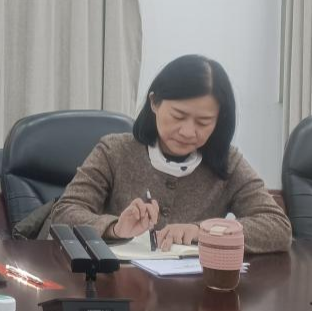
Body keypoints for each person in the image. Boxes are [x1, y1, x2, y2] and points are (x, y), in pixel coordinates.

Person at [15, 54, 291, 254]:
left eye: (204, 122)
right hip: (114, 288)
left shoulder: (228, 162)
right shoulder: (115, 151)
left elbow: (278, 227)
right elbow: (65, 213)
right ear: (155, 103)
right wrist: (115, 228)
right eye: (178, 116)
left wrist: (204, 231)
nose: (188, 131)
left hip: (193, 295)